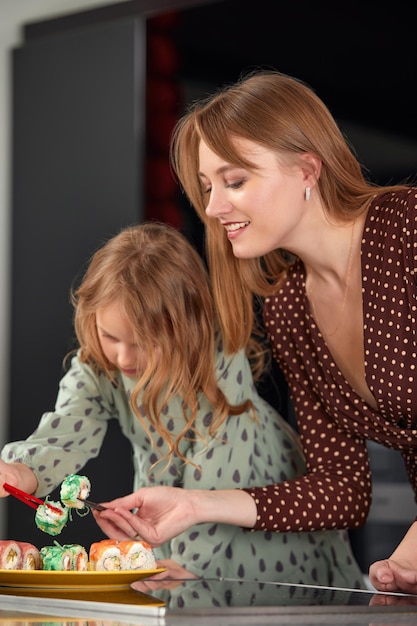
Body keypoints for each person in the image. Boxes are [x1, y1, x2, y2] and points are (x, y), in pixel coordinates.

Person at [91, 70, 417, 594]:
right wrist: (196, 505)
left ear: (307, 169)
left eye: (235, 181)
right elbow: (342, 489)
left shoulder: (408, 230)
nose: (215, 208)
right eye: (206, 188)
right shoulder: (289, 304)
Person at [0, 221, 363, 587]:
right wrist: (20, 472)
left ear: (184, 328)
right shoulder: (98, 368)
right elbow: (64, 434)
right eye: (110, 336)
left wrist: (181, 562)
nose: (123, 356)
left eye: (142, 342)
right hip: (173, 520)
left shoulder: (218, 363)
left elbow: (217, 476)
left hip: (258, 524)